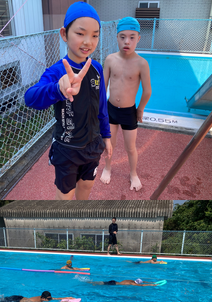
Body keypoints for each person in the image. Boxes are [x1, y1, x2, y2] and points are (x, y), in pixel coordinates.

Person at [24, 2, 111, 200]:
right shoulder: (57, 71)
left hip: (93, 144)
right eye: (80, 33)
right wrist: (57, 88)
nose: (88, 41)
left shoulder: (97, 68)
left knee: (87, 185)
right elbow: (30, 97)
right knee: (65, 196)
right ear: (64, 34)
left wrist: (106, 136)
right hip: (67, 148)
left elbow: (101, 108)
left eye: (95, 35)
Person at [100, 17, 152, 192]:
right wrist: (101, 110)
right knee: (109, 144)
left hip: (129, 112)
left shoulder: (141, 63)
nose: (127, 41)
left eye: (131, 37)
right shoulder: (110, 59)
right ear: (117, 38)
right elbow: (102, 87)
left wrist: (140, 109)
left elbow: (147, 91)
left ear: (138, 38)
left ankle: (133, 173)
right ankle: (107, 168)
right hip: (110, 110)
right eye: (122, 37)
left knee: (130, 147)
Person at [89, 278, 161, 286]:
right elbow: (142, 285)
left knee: (103, 282)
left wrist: (151, 282)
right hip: (114, 284)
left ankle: (92, 282)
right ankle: (91, 283)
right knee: (101, 284)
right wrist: (151, 285)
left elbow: (142, 281)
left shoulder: (131, 280)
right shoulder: (132, 283)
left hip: (115, 281)